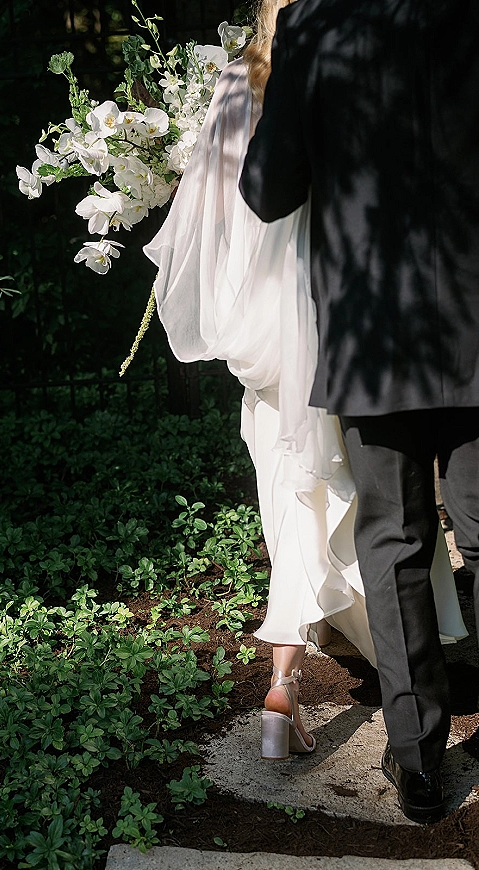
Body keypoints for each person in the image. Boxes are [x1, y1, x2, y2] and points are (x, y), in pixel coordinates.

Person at [144, 0, 467, 769]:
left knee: (313, 493)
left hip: (293, 318)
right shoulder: (391, 47)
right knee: (369, 501)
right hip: (378, 304)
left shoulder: (243, 84)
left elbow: (237, 204)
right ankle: (381, 673)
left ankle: (293, 689)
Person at [240, 0, 479, 824]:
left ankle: (417, 761)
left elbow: (269, 191)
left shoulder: (317, 24)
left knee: (395, 537)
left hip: (375, 332)